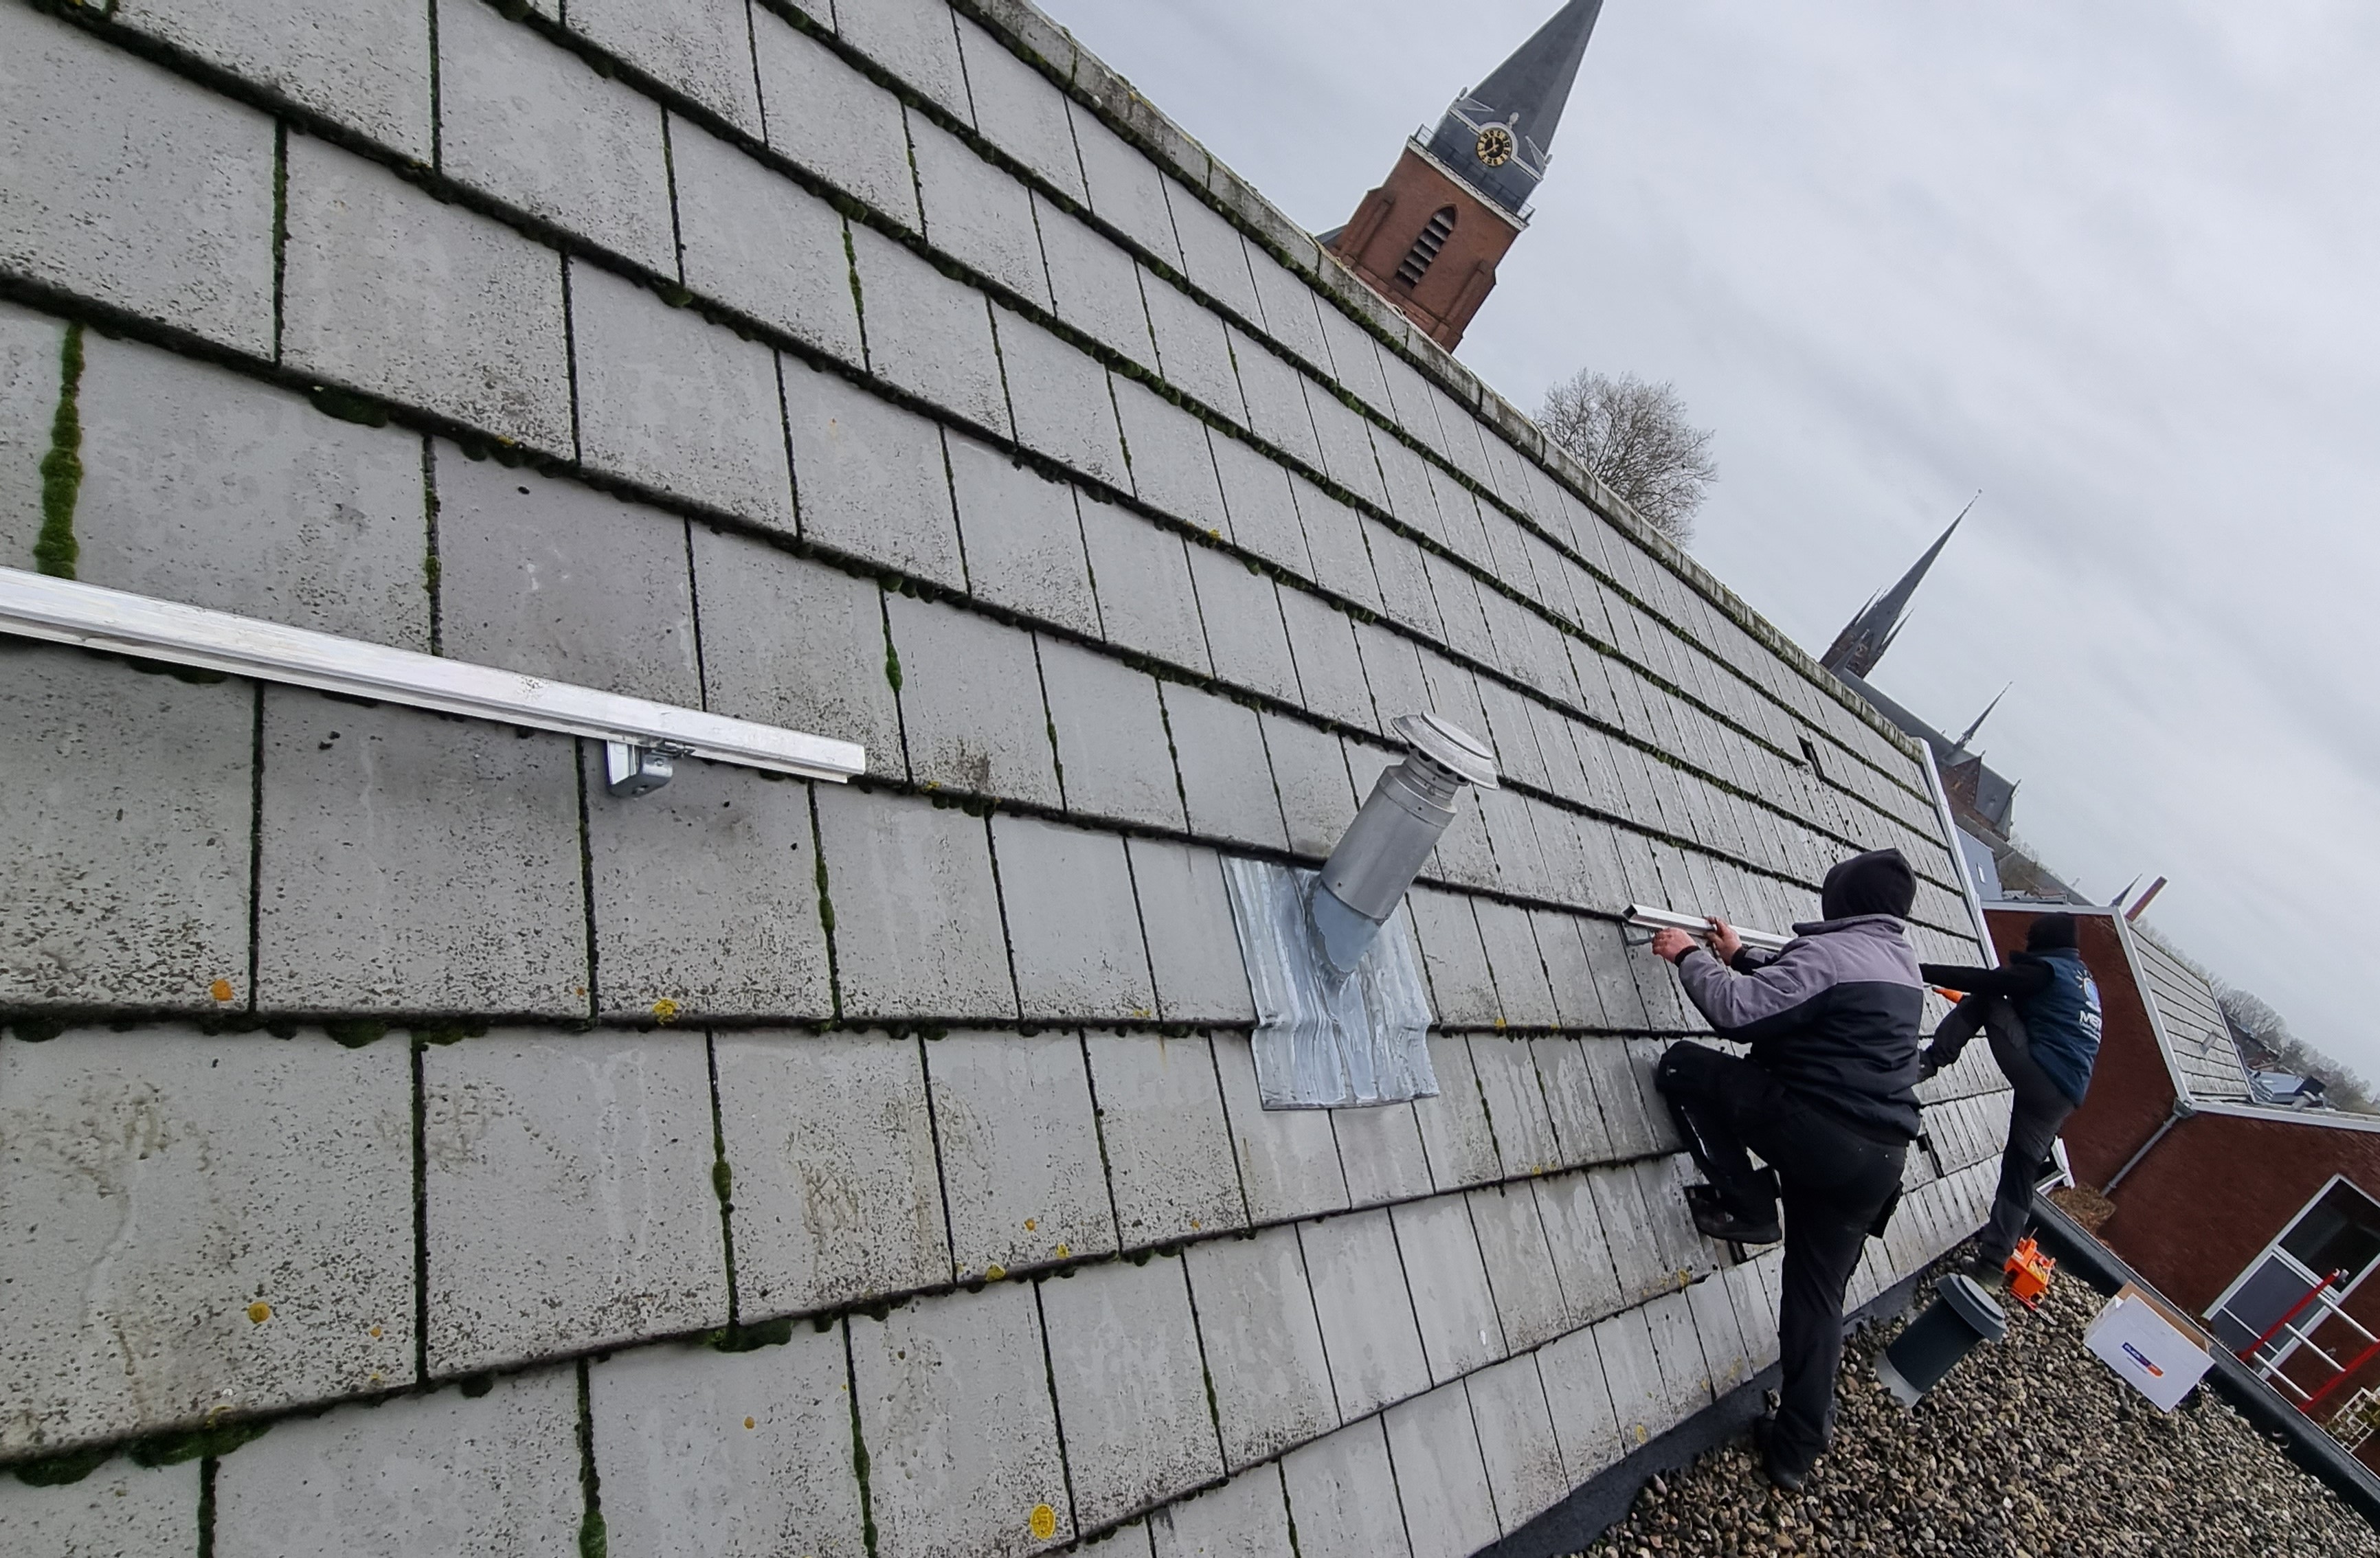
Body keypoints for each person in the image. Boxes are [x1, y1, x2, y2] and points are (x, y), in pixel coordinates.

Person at [1648, 848, 1925, 1493]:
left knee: (1685, 1067)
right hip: (1878, 1163)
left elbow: (1741, 1014)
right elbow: (1806, 1000)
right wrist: (1741, 956)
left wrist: (1688, 954)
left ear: (1844, 902)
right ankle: (1796, 1451)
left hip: (1822, 1135)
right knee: (1816, 1303)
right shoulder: (1900, 963)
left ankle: (1748, 1205)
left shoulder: (1831, 955)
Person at [1918, 912, 2103, 1289]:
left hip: (2041, 1074)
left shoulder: (2046, 972)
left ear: (2044, 941)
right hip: (2064, 1096)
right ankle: (1991, 1267)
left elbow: (1986, 981)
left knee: (1985, 997)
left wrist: (1917, 967)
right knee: (2020, 1173)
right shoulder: (2082, 980)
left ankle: (1925, 1062)